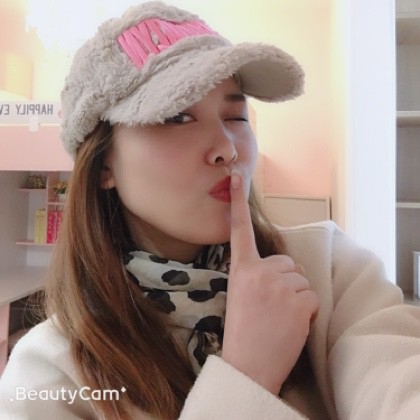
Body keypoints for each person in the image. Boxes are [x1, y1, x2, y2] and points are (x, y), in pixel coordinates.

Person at [1, 1, 420, 419]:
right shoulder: (48, 373)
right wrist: (246, 376)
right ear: (102, 166)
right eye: (176, 117)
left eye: (236, 116)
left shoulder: (327, 271)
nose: (226, 149)